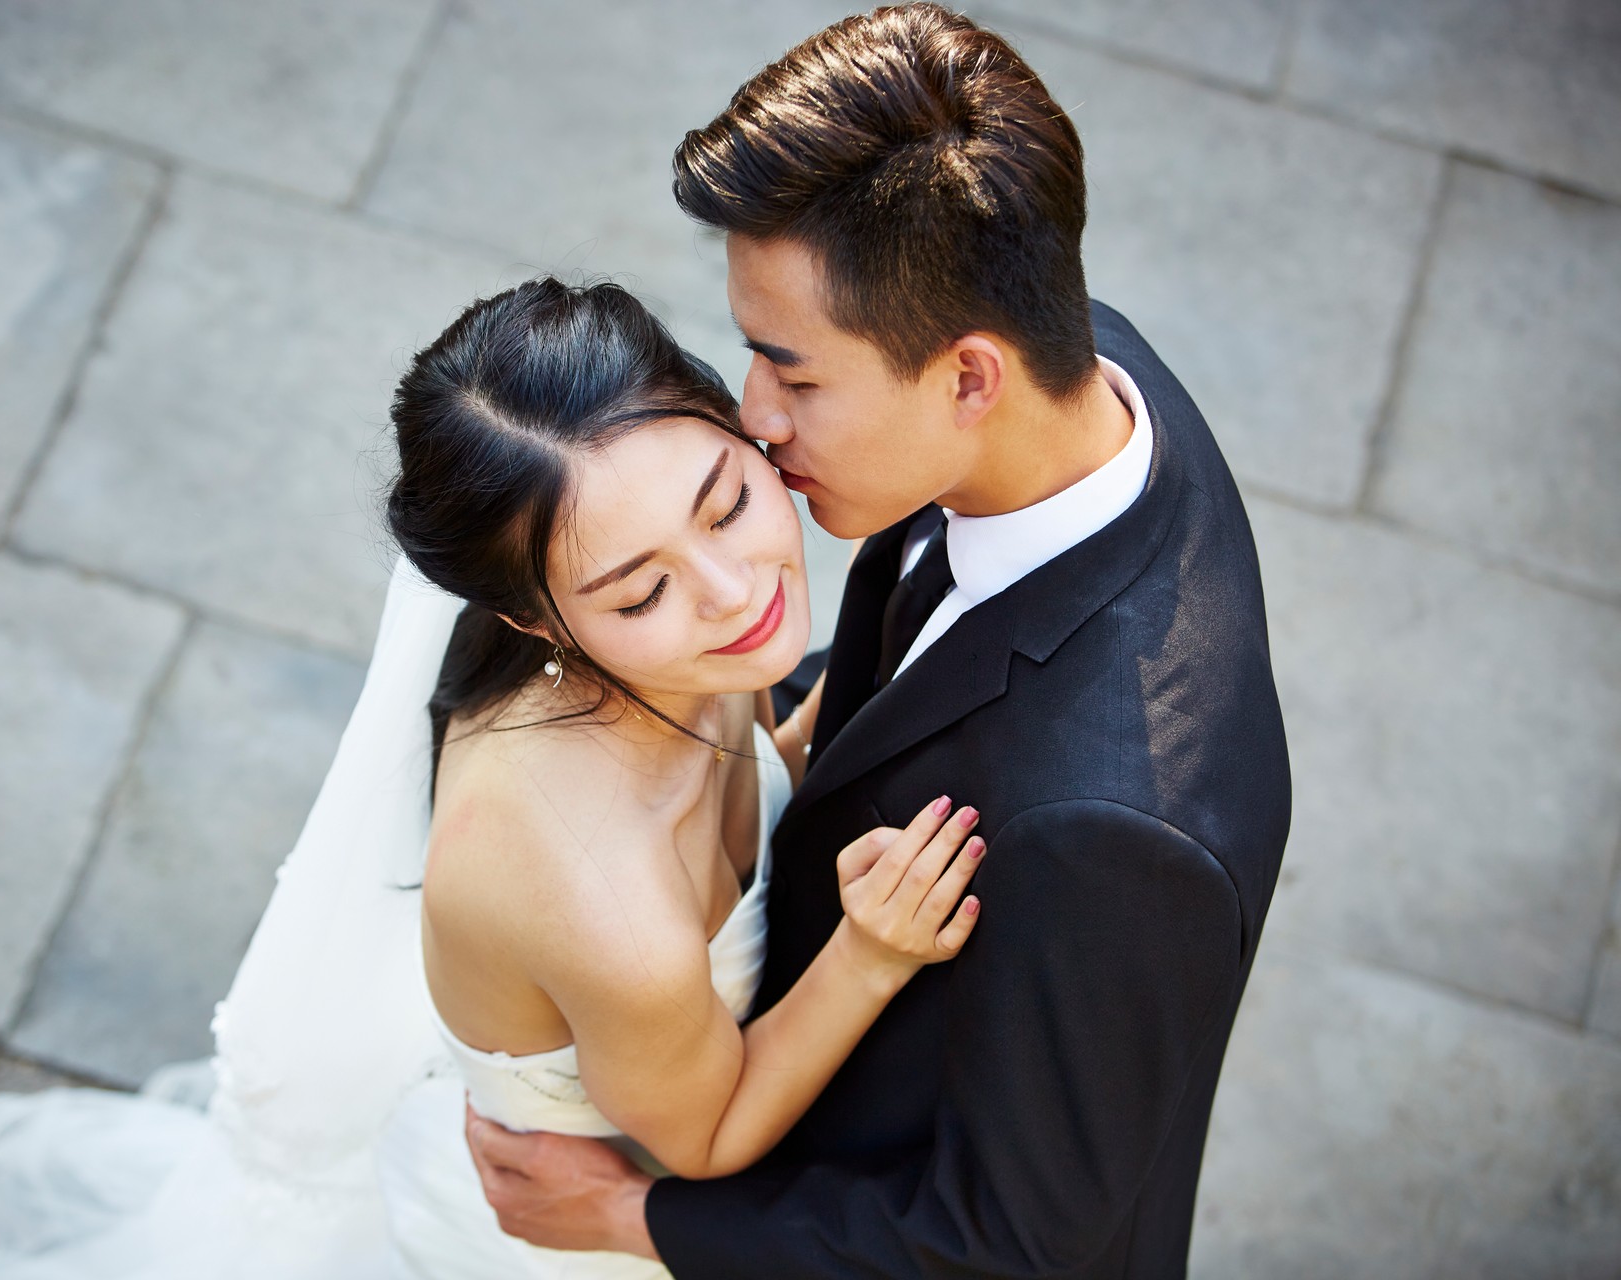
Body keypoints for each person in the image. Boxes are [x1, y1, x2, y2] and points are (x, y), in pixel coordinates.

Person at [0, 278, 986, 1280]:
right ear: (532, 617)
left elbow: (738, 767)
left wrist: (814, 728)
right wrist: (871, 952)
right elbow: (701, 1136)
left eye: (725, 500)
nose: (729, 588)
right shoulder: (606, 903)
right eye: (639, 589)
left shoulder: (678, 654)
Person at [459, 7, 1291, 1279]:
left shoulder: (1121, 832)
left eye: (792, 373)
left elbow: (1013, 1243)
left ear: (969, 377)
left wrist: (634, 1219)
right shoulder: (1080, 369)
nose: (753, 419)